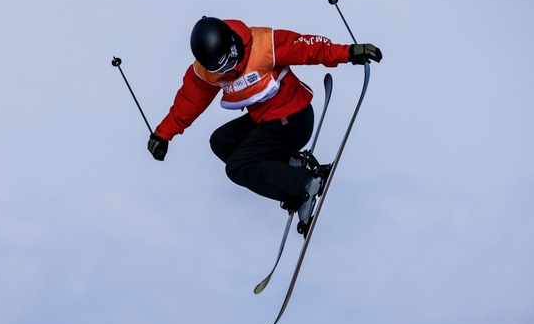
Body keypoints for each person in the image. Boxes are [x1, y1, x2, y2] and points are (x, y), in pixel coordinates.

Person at [147, 17, 382, 226]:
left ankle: (303, 185)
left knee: (237, 167)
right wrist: (162, 135)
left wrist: (349, 52)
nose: (230, 70)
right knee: (220, 142)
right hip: (266, 121)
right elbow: (189, 101)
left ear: (232, 44)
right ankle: (288, 167)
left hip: (293, 119)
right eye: (222, 68)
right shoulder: (206, 72)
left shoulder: (263, 44)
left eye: (230, 61)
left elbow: (308, 48)